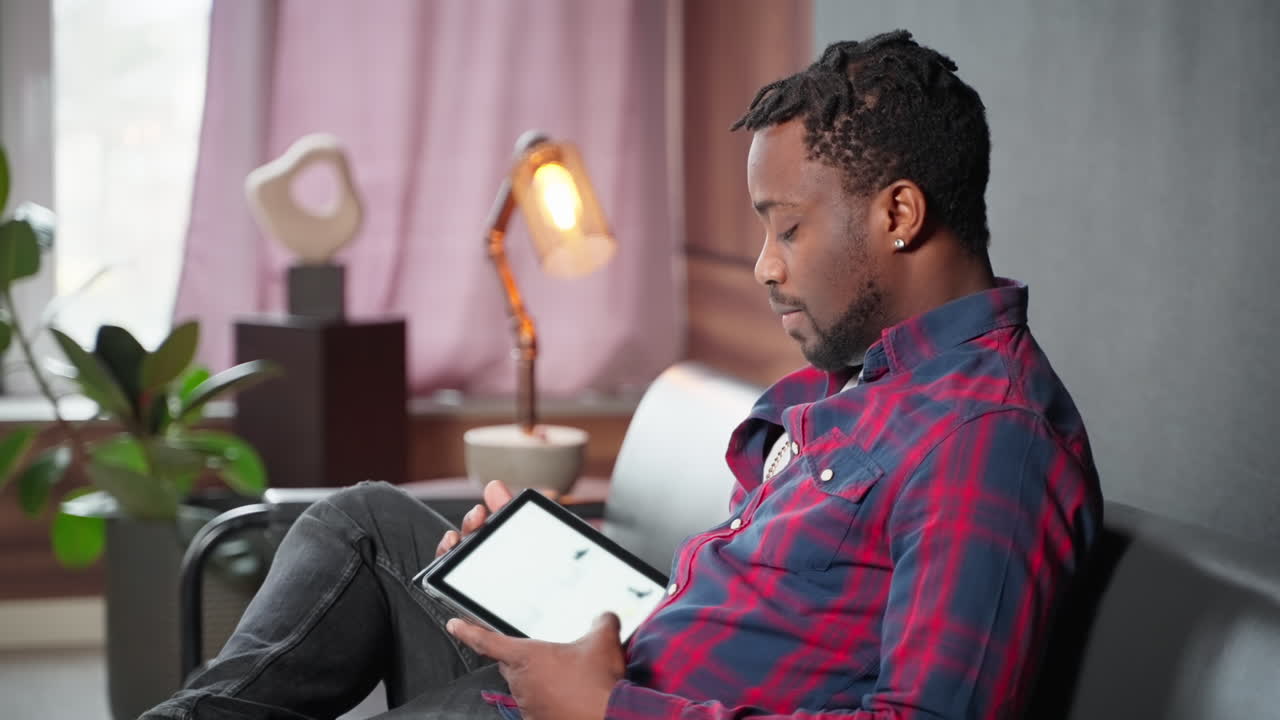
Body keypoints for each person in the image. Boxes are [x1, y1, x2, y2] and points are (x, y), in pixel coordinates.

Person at [144, 30, 1102, 720]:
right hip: (620, 666)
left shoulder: (985, 438)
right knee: (361, 524)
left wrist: (607, 709)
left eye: (789, 226)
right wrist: (541, 583)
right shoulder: (869, 380)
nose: (766, 265)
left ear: (899, 214)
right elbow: (753, 602)